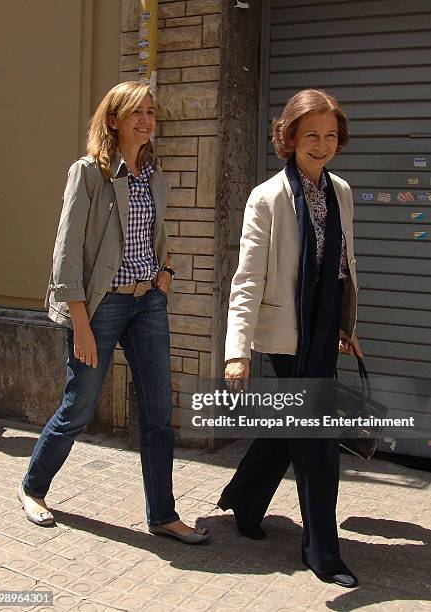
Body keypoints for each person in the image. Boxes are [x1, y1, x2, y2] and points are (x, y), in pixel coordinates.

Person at [18, 81, 208, 544]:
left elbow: (154, 237)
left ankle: (163, 514)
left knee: (158, 411)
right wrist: (79, 322)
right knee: (78, 407)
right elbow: (66, 256)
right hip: (100, 305)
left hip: (148, 302)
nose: (146, 120)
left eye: (151, 112)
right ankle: (33, 488)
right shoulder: (88, 173)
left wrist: (165, 273)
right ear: (113, 120)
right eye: (136, 112)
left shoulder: (153, 174)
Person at [218, 89, 362, 586]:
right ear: (290, 138)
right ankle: (323, 551)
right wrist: (237, 352)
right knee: (317, 440)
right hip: (284, 336)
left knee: (290, 429)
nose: (321, 145)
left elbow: (339, 269)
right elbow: (247, 279)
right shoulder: (267, 198)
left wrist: (345, 327)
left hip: (323, 333)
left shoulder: (341, 191)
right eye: (310, 136)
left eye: (329, 135)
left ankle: (244, 499)